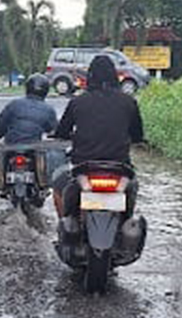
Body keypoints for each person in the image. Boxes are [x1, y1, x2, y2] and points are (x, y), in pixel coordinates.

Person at [51, 54, 145, 218]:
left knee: (58, 183)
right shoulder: (129, 102)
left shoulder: (78, 102)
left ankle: (64, 224)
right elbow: (137, 135)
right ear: (115, 75)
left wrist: (69, 136)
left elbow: (61, 132)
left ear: (90, 76)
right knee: (133, 186)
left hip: (83, 165)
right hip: (119, 166)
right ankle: (125, 220)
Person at [0, 73, 58, 144]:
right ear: (46, 91)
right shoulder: (49, 110)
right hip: (33, 147)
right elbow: (53, 130)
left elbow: (1, 122)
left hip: (11, 146)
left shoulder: (14, 104)